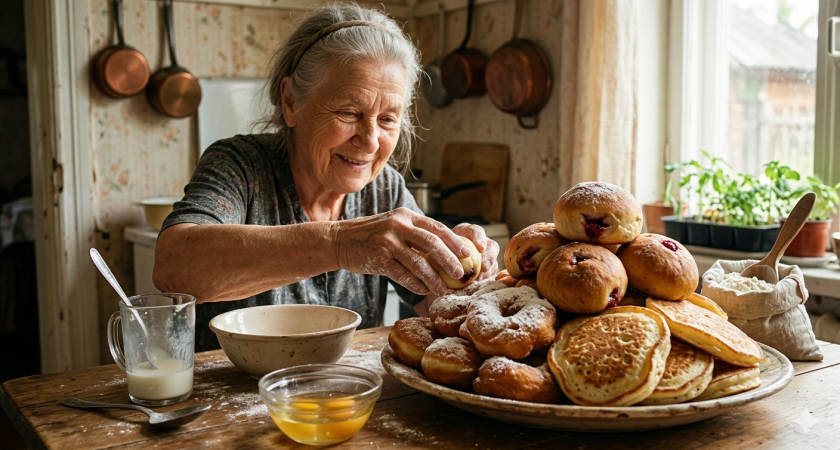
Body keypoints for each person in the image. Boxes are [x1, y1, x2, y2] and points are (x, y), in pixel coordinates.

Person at [153, 3, 500, 352]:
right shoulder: (239, 166)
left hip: (344, 398)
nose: (369, 140)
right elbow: (174, 269)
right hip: (234, 400)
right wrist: (339, 244)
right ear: (290, 101)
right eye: (349, 112)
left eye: (388, 119)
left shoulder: (385, 190)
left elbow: (439, 309)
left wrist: (466, 275)